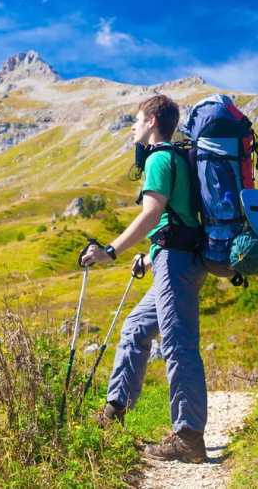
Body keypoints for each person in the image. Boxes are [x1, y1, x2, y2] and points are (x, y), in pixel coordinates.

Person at [79, 94, 208, 463]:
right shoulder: (176, 160)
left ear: (152, 120)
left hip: (177, 264)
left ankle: (188, 437)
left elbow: (152, 215)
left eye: (136, 120)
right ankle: (113, 412)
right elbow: (176, 219)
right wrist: (150, 257)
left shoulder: (159, 158)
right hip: (173, 259)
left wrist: (111, 251)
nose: (133, 127)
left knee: (178, 343)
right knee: (136, 327)